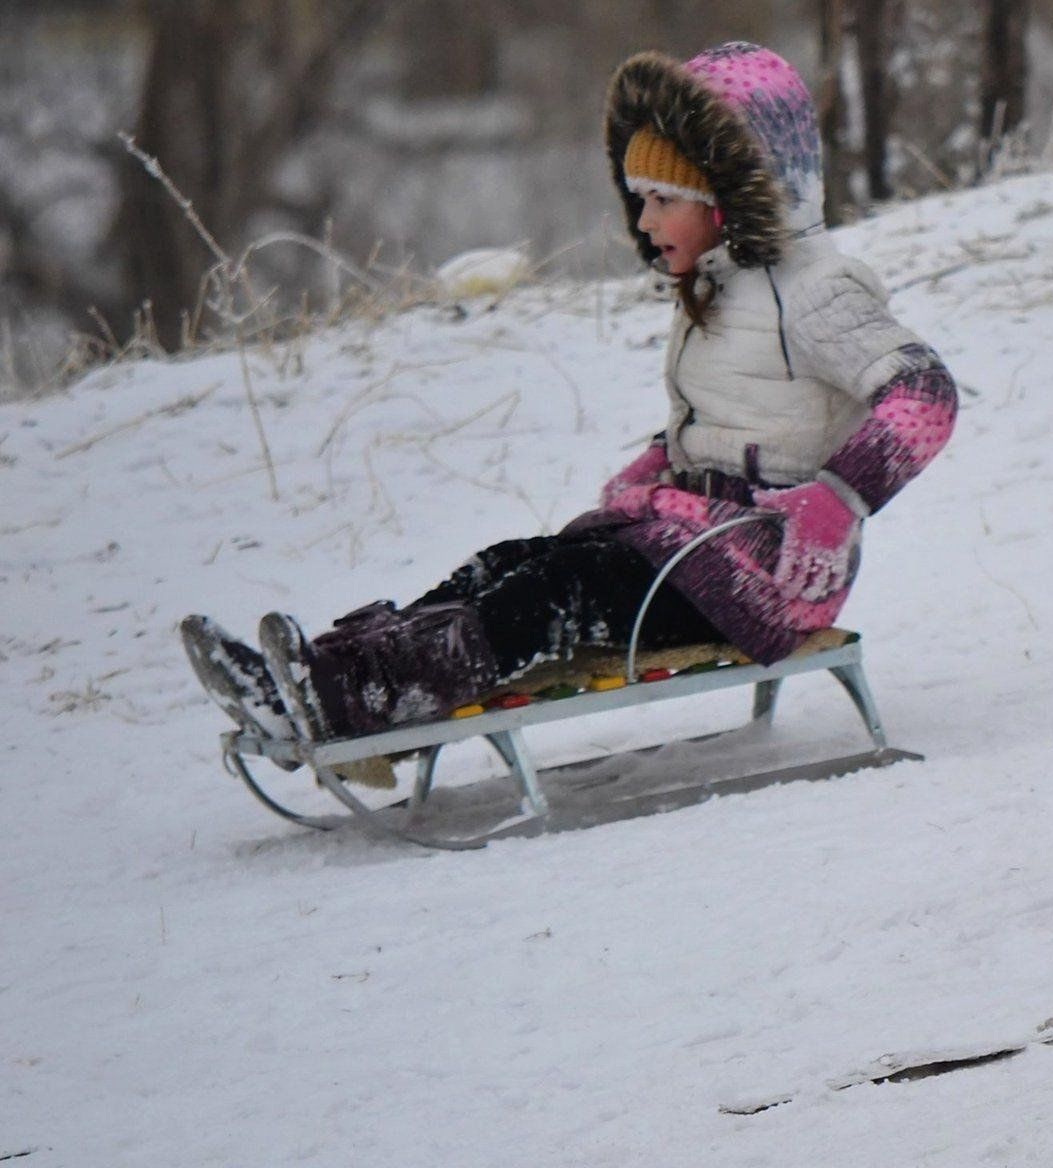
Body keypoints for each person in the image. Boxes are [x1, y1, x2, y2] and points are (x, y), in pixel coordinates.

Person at [180, 42, 957, 745]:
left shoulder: (817, 292)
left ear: (726, 197)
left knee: (556, 593)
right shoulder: (723, 287)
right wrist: (662, 462)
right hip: (695, 538)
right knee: (510, 562)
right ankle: (320, 676)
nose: (645, 221)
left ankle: (354, 700)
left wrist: (836, 500)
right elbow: (745, 413)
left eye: (663, 199)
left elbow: (925, 393)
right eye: (639, 199)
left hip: (769, 573)